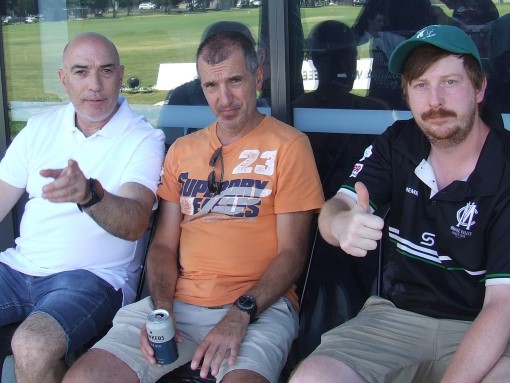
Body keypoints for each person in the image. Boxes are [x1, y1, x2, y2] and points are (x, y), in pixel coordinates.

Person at [63, 30, 324, 383]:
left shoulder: (289, 146)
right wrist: (161, 311)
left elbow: (292, 254)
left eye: (235, 81)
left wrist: (238, 315)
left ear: (257, 77)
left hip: (258, 307)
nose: (224, 99)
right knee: (84, 379)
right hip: (178, 303)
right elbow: (164, 245)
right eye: (211, 86)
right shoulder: (183, 150)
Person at [290, 24, 510, 383]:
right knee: (312, 376)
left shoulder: (504, 164)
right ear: (406, 94)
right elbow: (337, 206)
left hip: (484, 325)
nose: (434, 100)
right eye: (420, 85)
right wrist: (340, 225)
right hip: (396, 320)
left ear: (480, 87)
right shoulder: (398, 143)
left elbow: (503, 305)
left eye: (449, 82)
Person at [0, 32, 165, 382]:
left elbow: (136, 221)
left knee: (32, 344)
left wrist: (89, 195)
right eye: (80, 71)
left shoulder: (143, 139)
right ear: (63, 79)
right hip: (17, 270)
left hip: (92, 278)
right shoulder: (38, 129)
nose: (95, 85)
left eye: (106, 71)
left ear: (121, 75)